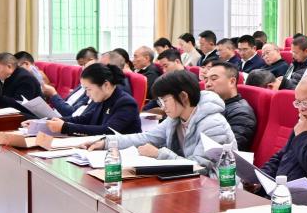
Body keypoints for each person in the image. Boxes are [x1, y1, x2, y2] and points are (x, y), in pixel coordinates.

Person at [93, 70, 235, 174]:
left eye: (165, 101)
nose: (162, 107)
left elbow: (200, 168)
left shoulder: (213, 124)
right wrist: (106, 142)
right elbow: (146, 138)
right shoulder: (175, 118)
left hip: (217, 189)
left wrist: (159, 154)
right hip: (185, 180)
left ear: (183, 96)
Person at [37, 64, 141, 136]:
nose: (87, 94)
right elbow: (85, 118)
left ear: (106, 85)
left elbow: (108, 130)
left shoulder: (126, 103)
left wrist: (65, 127)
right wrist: (47, 121)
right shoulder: (103, 98)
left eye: (89, 89)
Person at [203, 62, 257, 151]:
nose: (207, 84)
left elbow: (229, 151)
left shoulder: (241, 113)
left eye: (213, 79)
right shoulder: (209, 105)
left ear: (232, 82)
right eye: (206, 80)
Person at [0, 52, 42, 118]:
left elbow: (19, 104)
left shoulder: (25, 78)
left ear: (9, 66)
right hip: (13, 114)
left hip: (31, 117)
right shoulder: (6, 77)